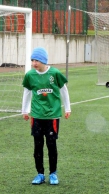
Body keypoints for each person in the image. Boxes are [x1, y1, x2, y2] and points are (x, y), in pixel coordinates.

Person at [21, 47, 71, 185]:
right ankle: (40, 174)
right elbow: (27, 92)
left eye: (36, 60)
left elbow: (64, 91)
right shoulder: (30, 75)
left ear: (43, 60)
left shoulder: (54, 73)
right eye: (32, 60)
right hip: (36, 116)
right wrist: (24, 110)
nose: (34, 63)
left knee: (51, 145)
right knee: (37, 146)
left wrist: (68, 108)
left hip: (52, 116)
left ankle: (53, 173)